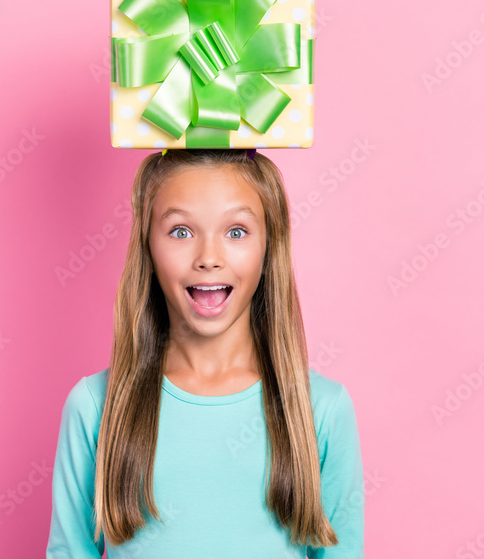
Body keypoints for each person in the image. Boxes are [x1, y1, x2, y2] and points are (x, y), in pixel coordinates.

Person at [47, 148, 364, 558]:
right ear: (148, 248)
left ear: (270, 248)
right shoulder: (95, 407)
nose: (208, 259)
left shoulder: (321, 409)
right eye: (181, 231)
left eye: (236, 232)